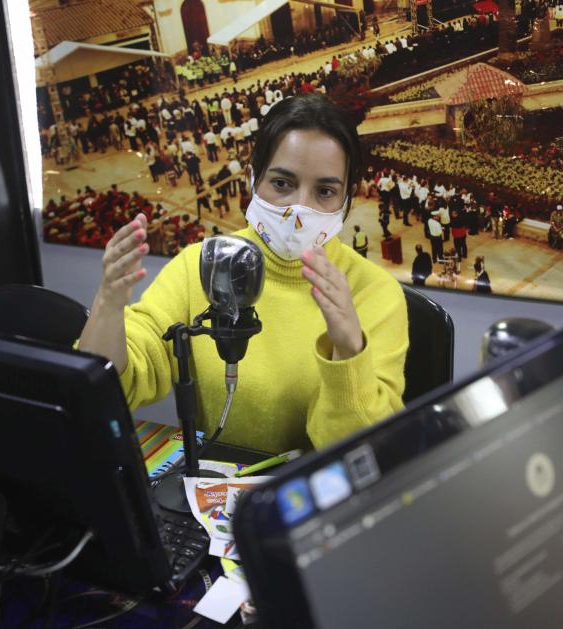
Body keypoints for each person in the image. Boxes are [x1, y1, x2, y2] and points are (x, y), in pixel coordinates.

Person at [77, 93, 408, 453]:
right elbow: (109, 388)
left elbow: (370, 452)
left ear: (347, 199)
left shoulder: (376, 294)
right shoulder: (201, 265)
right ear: (253, 178)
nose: (299, 209)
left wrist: (348, 349)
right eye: (282, 184)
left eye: (325, 191)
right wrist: (109, 300)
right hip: (213, 495)